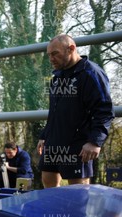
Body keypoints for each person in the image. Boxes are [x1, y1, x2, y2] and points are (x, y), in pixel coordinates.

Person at [37, 34, 114, 188]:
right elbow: (54, 112)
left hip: (78, 143)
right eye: (49, 55)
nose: (51, 59)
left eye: (55, 54)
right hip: (54, 142)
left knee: (78, 191)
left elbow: (104, 110)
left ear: (71, 49)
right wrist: (45, 135)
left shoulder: (91, 73)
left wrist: (94, 141)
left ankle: (77, 213)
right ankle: (55, 212)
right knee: (48, 180)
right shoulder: (57, 78)